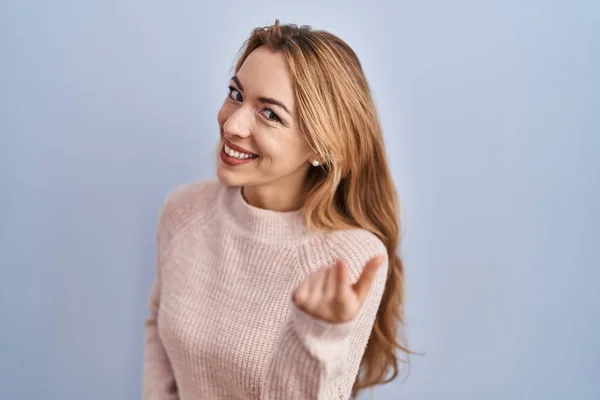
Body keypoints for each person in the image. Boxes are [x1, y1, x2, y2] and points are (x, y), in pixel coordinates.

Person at [142, 20, 409, 400]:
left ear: (322, 147)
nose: (232, 125)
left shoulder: (351, 259)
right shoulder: (184, 211)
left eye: (270, 114)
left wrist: (317, 334)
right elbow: (157, 327)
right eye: (236, 93)